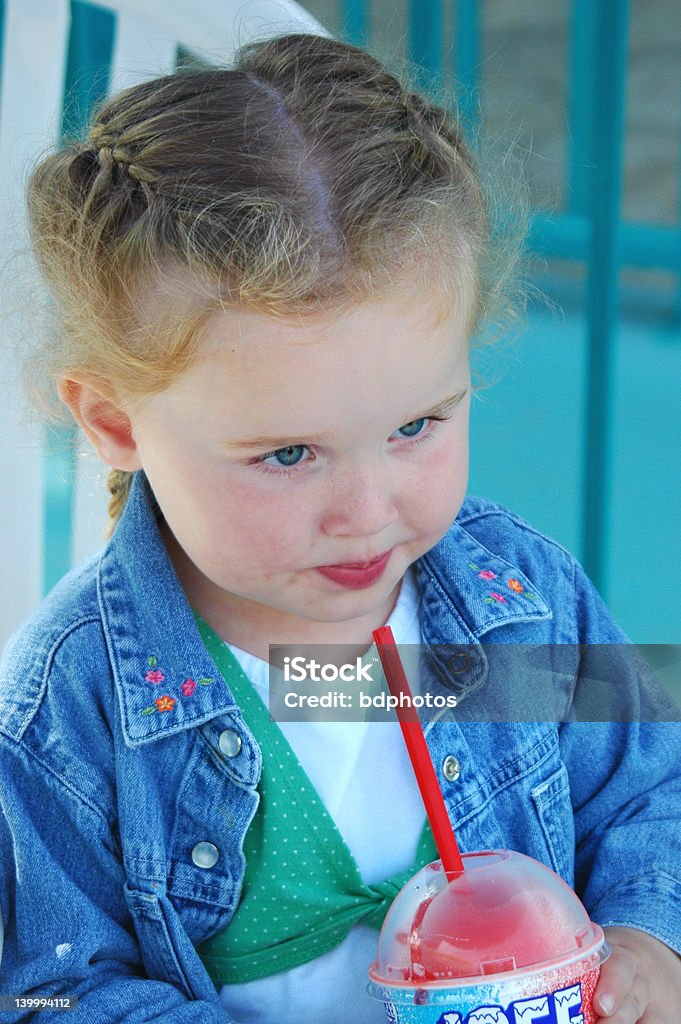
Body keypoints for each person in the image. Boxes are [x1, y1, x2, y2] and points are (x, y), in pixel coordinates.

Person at [0, 31, 679, 1024]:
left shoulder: (518, 602)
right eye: (288, 454)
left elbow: (646, 795)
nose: (367, 512)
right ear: (114, 423)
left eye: (416, 427)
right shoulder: (75, 702)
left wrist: (648, 938)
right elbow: (54, 989)